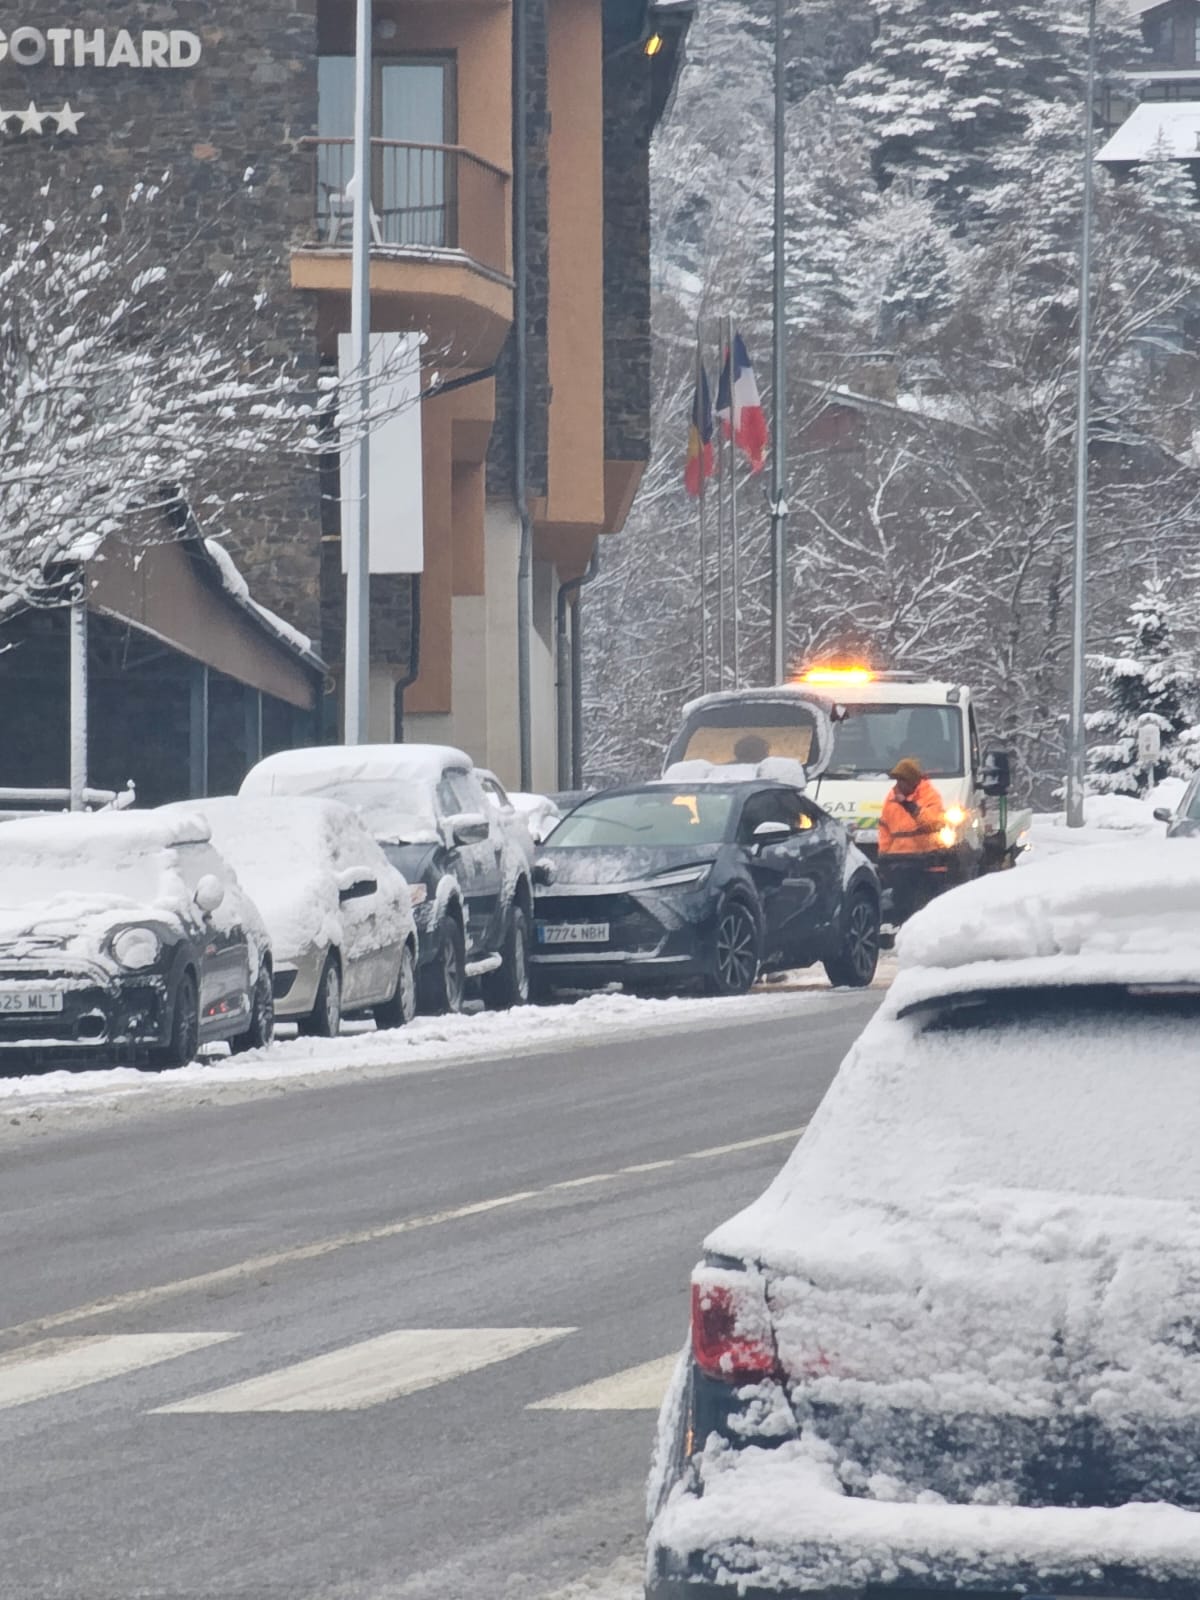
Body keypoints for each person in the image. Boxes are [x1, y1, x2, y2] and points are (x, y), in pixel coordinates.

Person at [878, 757, 947, 923]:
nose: (898, 785)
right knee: (902, 905)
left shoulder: (930, 796)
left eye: (902, 780)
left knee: (928, 905)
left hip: (926, 860)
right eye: (897, 780)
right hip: (899, 862)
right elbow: (885, 829)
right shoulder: (891, 798)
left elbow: (932, 822)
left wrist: (910, 806)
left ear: (912, 781)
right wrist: (883, 856)